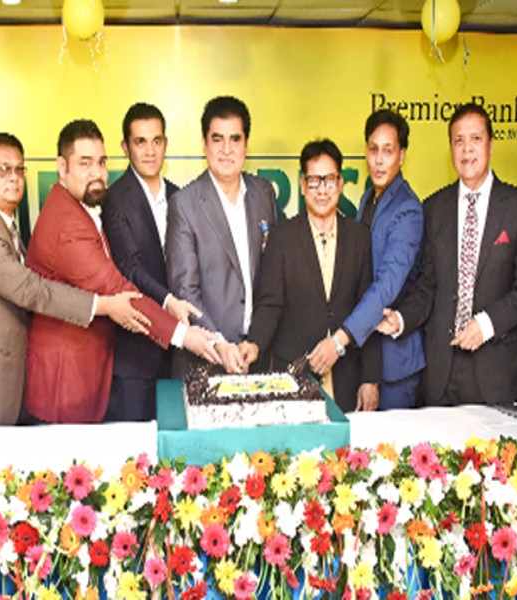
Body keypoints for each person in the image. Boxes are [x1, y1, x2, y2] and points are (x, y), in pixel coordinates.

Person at [0, 133, 153, 427]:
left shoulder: (4, 225)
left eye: (19, 169)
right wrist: (103, 305)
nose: (14, 178)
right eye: (2, 170)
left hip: (3, 385)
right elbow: (30, 290)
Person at [25, 119, 219, 423]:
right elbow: (117, 287)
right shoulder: (67, 224)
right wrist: (185, 335)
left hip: (86, 370)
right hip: (65, 381)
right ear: (62, 167)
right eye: (85, 163)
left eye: (101, 162)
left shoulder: (77, 206)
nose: (97, 173)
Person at [377, 103, 517, 406]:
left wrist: (486, 324)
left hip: (495, 371)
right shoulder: (434, 208)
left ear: (491, 145)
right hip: (441, 372)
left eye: (476, 139)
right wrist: (401, 319)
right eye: (459, 141)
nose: (467, 150)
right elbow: (427, 285)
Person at [238, 139, 380, 412]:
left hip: (347, 378)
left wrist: (370, 379)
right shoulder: (282, 238)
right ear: (303, 185)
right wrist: (254, 344)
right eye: (314, 181)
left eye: (329, 180)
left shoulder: (360, 238)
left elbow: (368, 309)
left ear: (340, 184)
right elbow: (270, 304)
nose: (322, 190)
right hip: (294, 377)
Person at [166, 95, 279, 375]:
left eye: (235, 139)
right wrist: (219, 343)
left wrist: (257, 340)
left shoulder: (264, 193)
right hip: (206, 361)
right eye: (218, 139)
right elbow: (185, 291)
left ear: (246, 145)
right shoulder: (184, 204)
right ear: (204, 144)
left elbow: (273, 278)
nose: (227, 150)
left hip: (258, 357)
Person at [102, 103, 200, 422]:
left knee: (177, 446)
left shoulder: (179, 197)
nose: (149, 151)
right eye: (140, 142)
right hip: (136, 357)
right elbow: (129, 268)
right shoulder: (114, 200)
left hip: (179, 357)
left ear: (165, 144)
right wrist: (169, 301)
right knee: (136, 449)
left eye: (156, 141)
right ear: (125, 147)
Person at [322, 109, 425, 409]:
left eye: (388, 151)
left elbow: (386, 285)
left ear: (402, 156)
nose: (379, 160)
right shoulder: (369, 199)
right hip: (367, 353)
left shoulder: (408, 210)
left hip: (395, 364)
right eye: (373, 149)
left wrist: (340, 340)